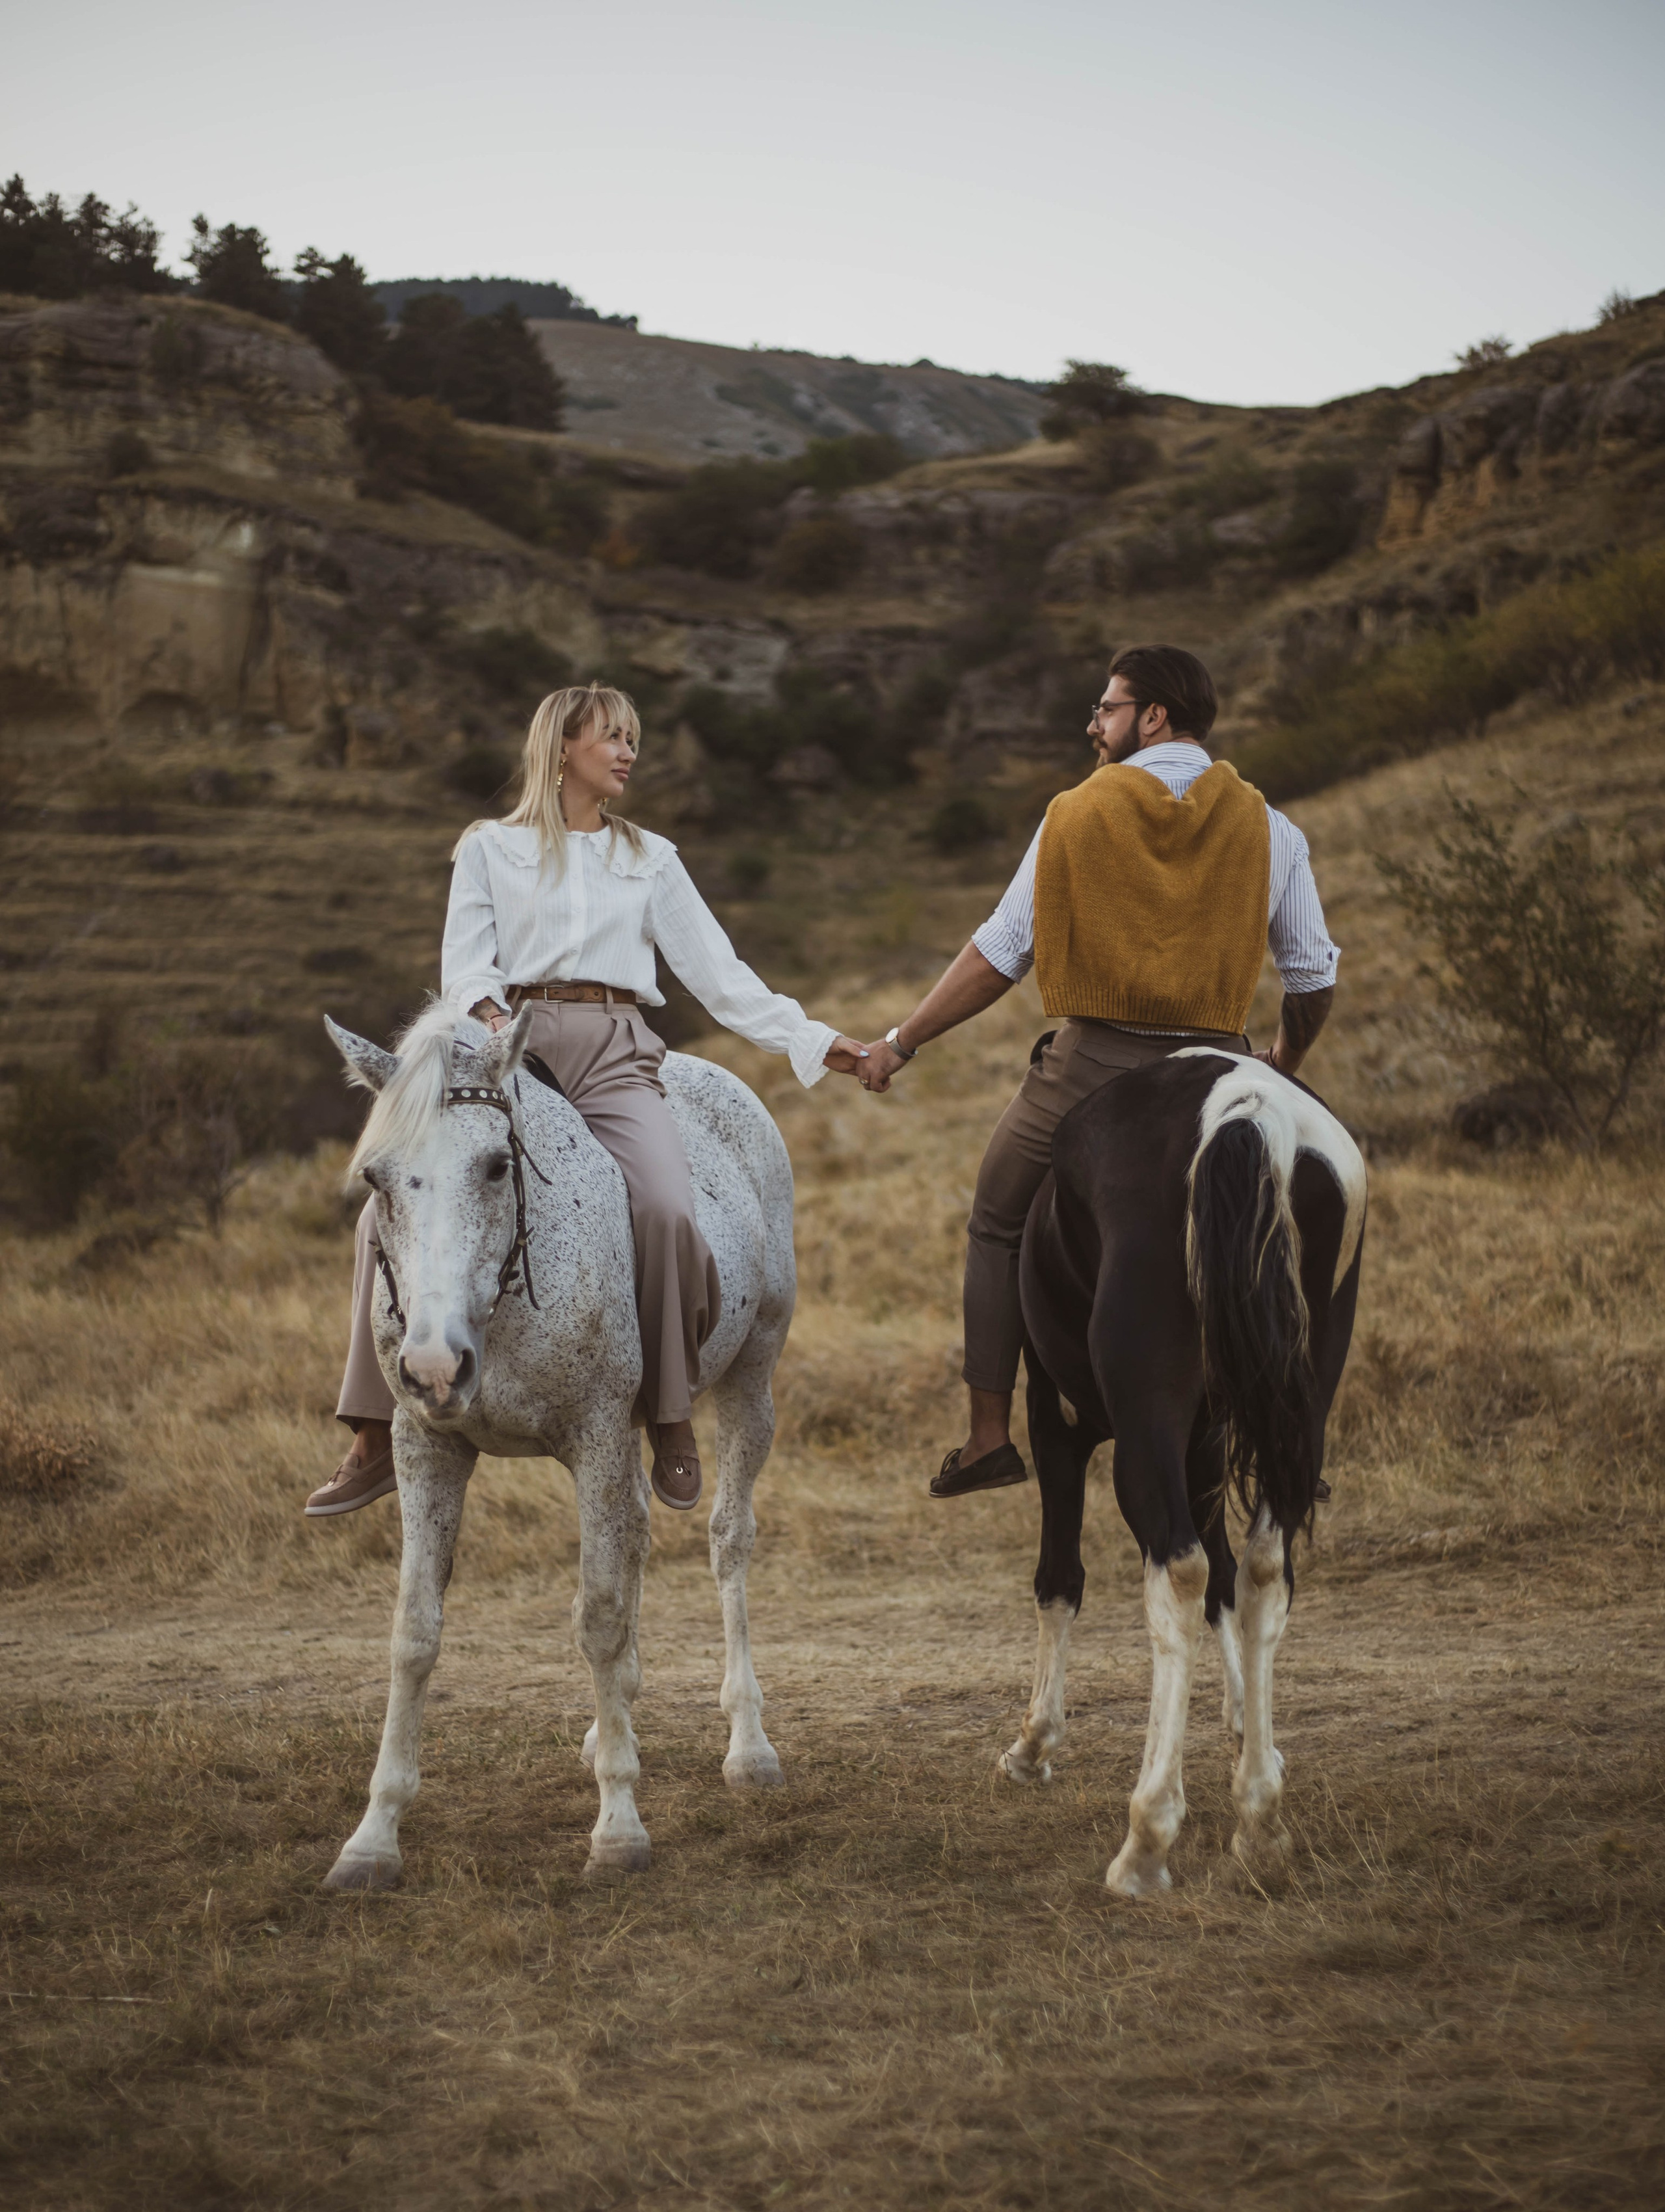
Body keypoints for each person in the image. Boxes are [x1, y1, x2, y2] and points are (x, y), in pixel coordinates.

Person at [305, 682, 868, 1521]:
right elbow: (466, 965)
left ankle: (670, 1415)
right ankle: (374, 1431)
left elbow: (721, 979)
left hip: (614, 1051)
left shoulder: (653, 858)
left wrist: (823, 1043)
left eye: (632, 738)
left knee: (671, 1212)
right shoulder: (489, 848)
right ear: (562, 747)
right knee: (381, 1211)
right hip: (506, 1052)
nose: (628, 752)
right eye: (612, 736)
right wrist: (496, 1023)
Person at [855, 644, 1340, 1499]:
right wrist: (1281, 1065)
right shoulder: (1272, 827)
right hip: (1220, 1062)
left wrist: (902, 1039)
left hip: (1095, 1062)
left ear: (1152, 715)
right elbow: (1312, 976)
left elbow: (1000, 954)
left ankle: (986, 1437)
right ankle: (1293, 1420)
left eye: (1106, 708)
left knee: (997, 1214)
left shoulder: (1074, 816)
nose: (1093, 725)